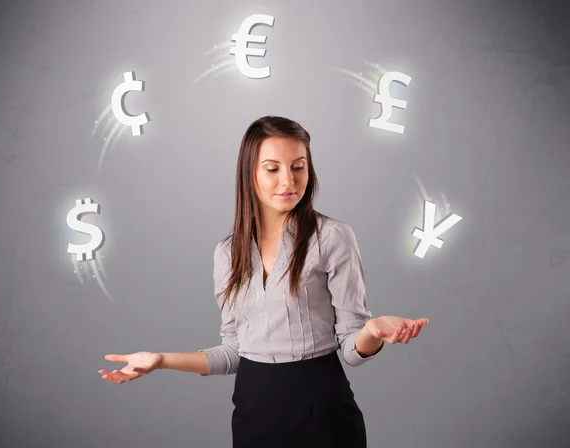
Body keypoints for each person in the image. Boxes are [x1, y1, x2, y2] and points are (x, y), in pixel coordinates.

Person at [99, 115, 429, 447]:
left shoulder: (333, 237)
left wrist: (372, 330)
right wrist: (161, 360)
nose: (288, 180)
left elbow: (352, 350)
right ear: (250, 174)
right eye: (273, 169)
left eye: (298, 167)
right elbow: (234, 352)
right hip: (253, 408)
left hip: (322, 407)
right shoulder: (227, 252)